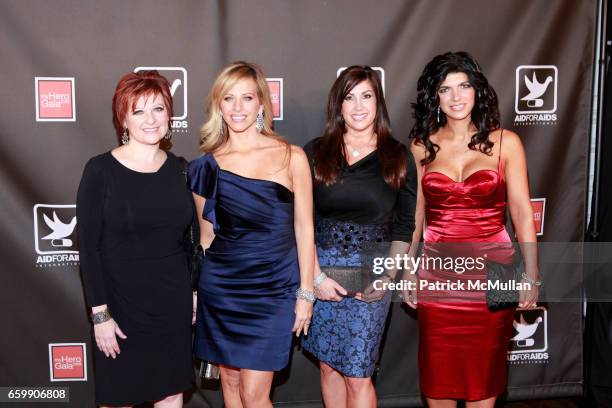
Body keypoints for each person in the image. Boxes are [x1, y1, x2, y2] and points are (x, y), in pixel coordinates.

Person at [408, 51, 540, 407]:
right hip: (438, 277)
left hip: (493, 277)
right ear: (434, 97)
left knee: (484, 387)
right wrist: (407, 270)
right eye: (445, 89)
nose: (456, 97)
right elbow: (415, 219)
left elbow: (522, 214)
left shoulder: (506, 143)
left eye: (464, 86)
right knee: (438, 387)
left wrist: (531, 273)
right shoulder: (421, 147)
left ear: (477, 90)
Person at [188, 61, 315, 408]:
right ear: (218, 105)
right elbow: (206, 238)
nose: (238, 108)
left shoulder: (293, 157)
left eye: (247, 98)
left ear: (262, 103)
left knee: (255, 394)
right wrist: (198, 292)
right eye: (229, 99)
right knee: (229, 382)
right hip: (222, 288)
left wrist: (306, 293)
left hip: (274, 289)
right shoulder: (205, 167)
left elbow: (304, 229)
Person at [302, 65, 417, 407]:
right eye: (349, 98)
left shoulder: (398, 156)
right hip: (323, 273)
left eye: (366, 96)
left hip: (373, 273)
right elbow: (301, 222)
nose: (358, 106)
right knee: (329, 368)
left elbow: (404, 225)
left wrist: (387, 277)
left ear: (378, 103)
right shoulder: (315, 152)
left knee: (358, 373)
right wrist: (315, 276)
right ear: (338, 106)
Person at [77, 70, 193, 407]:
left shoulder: (181, 169)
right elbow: (89, 247)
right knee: (118, 398)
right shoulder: (100, 170)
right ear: (123, 120)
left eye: (158, 109)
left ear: (169, 115)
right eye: (138, 111)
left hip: (173, 304)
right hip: (120, 308)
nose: (150, 119)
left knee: (171, 396)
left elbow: (189, 243)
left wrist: (194, 293)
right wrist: (100, 315)